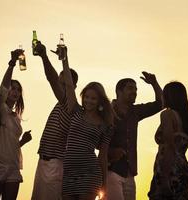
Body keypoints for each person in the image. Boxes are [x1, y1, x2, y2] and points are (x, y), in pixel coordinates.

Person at [61, 47, 114, 200]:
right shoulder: (76, 111)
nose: (89, 101)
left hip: (89, 174)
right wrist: (65, 59)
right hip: (69, 172)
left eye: (93, 98)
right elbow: (69, 86)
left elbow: (103, 157)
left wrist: (104, 184)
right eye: (87, 97)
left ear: (100, 102)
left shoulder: (105, 125)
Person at [31, 42, 78, 200]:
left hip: (56, 165)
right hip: (44, 162)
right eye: (60, 82)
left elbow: (50, 78)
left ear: (73, 86)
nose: (58, 86)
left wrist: (44, 56)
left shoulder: (70, 105)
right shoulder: (61, 103)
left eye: (63, 83)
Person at [0, 50, 32, 200]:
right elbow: (3, 88)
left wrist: (22, 141)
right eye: (13, 88)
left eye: (18, 90)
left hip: (13, 167)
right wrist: (12, 64)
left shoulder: (16, 118)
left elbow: (10, 145)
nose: (15, 91)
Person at [107, 73, 163, 200]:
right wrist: (111, 151)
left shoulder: (136, 111)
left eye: (135, 89)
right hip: (112, 171)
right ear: (119, 91)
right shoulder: (107, 111)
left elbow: (161, 103)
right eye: (130, 88)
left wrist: (154, 83)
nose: (134, 92)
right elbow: (95, 139)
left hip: (130, 173)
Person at [148, 81, 188, 200]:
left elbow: (169, 146)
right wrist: (186, 175)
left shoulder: (167, 115)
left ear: (168, 97)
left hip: (167, 167)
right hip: (183, 169)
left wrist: (165, 178)